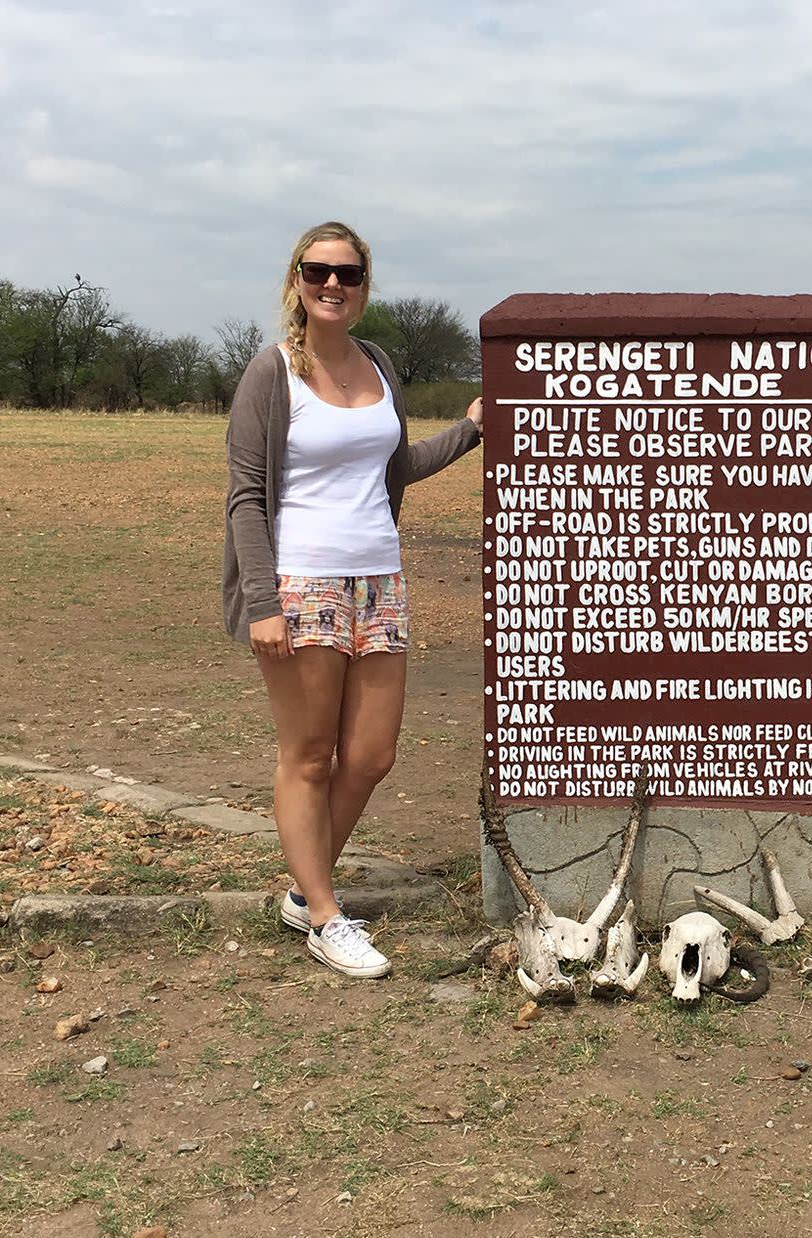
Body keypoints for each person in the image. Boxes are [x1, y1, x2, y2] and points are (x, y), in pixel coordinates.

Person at [222, 221, 482, 978]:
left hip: (380, 581)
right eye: (317, 271)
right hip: (302, 583)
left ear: (365, 286)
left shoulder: (379, 364)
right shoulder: (273, 373)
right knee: (308, 756)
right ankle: (325, 916)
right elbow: (245, 497)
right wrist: (263, 603)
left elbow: (392, 469)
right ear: (297, 281)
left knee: (370, 755)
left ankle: (309, 892)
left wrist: (467, 431)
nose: (332, 284)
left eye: (348, 274)